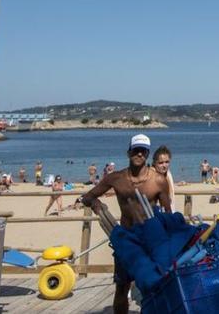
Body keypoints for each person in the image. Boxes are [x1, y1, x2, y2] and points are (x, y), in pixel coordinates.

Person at [74, 134, 172, 314]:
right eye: (136, 150)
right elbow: (88, 197)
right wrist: (97, 205)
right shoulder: (116, 178)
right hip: (126, 239)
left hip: (150, 241)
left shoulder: (158, 180)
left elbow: (168, 213)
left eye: (143, 151)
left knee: (152, 287)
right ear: (129, 152)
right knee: (122, 287)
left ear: (148, 154)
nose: (139, 154)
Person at [152, 145, 174, 211]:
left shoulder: (168, 173)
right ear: (154, 163)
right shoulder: (152, 177)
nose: (164, 166)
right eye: (160, 163)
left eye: (167, 162)